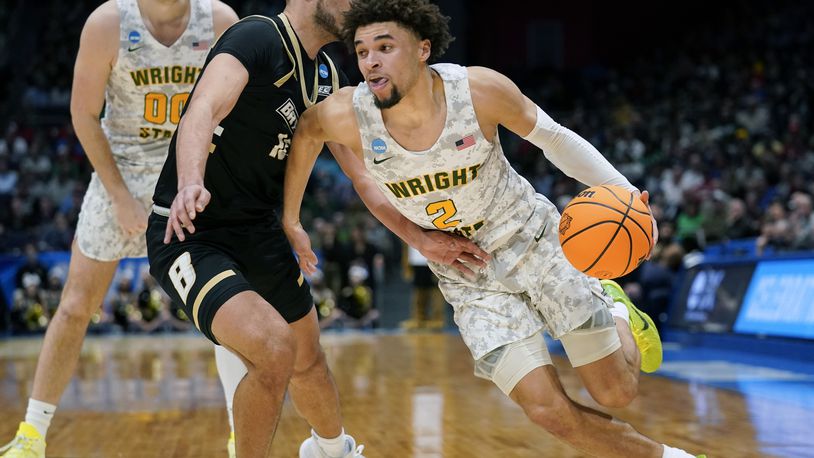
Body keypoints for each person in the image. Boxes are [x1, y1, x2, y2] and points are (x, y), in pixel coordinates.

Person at [281, 1, 706, 457]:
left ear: (423, 49)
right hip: (467, 275)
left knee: (616, 392)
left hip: (532, 239)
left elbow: (555, 139)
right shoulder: (346, 114)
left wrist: (628, 194)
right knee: (546, 410)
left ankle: (619, 310)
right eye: (362, 51)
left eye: (385, 47)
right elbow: (309, 138)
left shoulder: (478, 89)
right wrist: (297, 220)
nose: (371, 61)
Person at [146, 1, 488, 457]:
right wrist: (190, 182)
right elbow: (202, 110)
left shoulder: (328, 77)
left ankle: (332, 450)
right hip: (193, 230)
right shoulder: (257, 37)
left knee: (308, 360)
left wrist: (421, 238)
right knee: (272, 349)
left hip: (260, 233)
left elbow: (364, 176)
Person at [0, 1, 238, 457]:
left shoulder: (221, 20)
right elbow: (84, 114)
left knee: (227, 311)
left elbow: (240, 111)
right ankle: (32, 434)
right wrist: (120, 196)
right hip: (122, 173)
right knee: (74, 307)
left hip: (194, 177)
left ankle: (238, 433)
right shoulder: (109, 23)